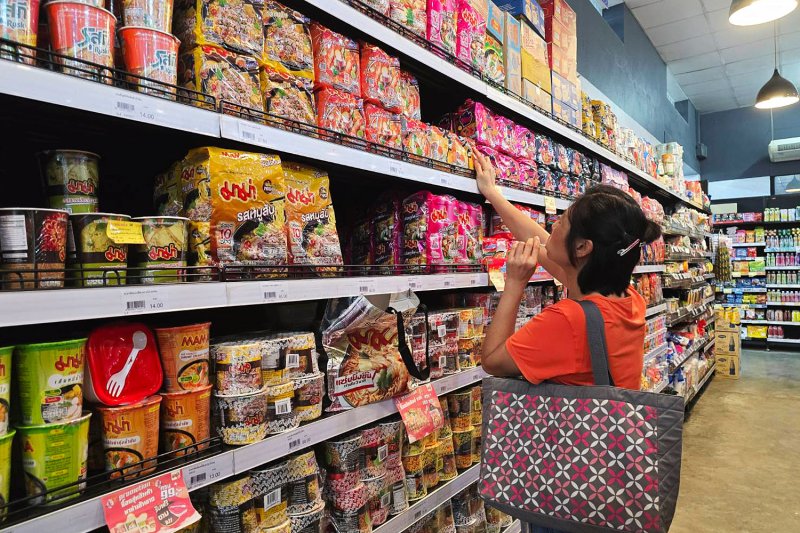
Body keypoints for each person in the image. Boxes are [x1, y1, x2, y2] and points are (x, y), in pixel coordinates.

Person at [473, 151, 662, 533]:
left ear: (583, 248)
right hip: (606, 475)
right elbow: (542, 241)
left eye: (562, 222)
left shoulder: (568, 320)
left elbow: (492, 359)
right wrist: (493, 195)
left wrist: (513, 284)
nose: (552, 227)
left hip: (564, 484)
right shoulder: (627, 299)